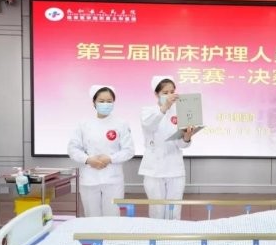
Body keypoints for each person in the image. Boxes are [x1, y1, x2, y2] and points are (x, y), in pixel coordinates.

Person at [68, 85, 135, 217]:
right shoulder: (84, 124)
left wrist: (110, 158)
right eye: (101, 101)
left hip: (113, 179)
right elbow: (72, 148)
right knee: (91, 217)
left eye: (109, 101)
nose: (105, 104)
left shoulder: (121, 124)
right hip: (89, 179)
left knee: (113, 217)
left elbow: (129, 150)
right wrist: (88, 159)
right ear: (94, 102)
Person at [138, 76, 197, 219]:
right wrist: (164, 107)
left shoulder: (180, 112)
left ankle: (173, 233)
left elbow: (180, 144)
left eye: (172, 92)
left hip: (174, 167)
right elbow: (149, 126)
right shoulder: (147, 111)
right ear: (156, 94)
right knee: (157, 210)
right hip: (154, 168)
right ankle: (156, 233)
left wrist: (187, 137)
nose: (170, 95)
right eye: (165, 93)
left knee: (174, 210)